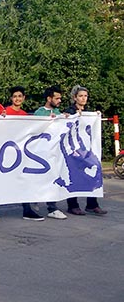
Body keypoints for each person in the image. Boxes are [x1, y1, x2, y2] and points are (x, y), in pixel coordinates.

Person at [4, 86, 47, 221]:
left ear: (23, 98)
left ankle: (27, 209)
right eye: (15, 96)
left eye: (20, 96)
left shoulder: (24, 115)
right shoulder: (5, 112)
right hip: (7, 152)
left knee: (24, 179)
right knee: (2, 179)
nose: (17, 99)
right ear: (11, 98)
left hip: (21, 152)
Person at [63, 85, 107, 216]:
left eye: (85, 96)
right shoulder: (70, 111)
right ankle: (72, 205)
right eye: (81, 96)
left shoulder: (89, 112)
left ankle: (92, 204)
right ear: (75, 97)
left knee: (94, 171)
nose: (83, 98)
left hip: (86, 150)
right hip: (74, 150)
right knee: (74, 175)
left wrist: (96, 116)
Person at [32, 86, 68, 220]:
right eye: (57, 98)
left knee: (53, 179)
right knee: (39, 179)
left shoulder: (59, 112)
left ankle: (52, 207)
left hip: (55, 153)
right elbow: (34, 130)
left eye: (60, 98)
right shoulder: (40, 112)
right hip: (40, 154)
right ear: (49, 98)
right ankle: (33, 203)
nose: (59, 100)